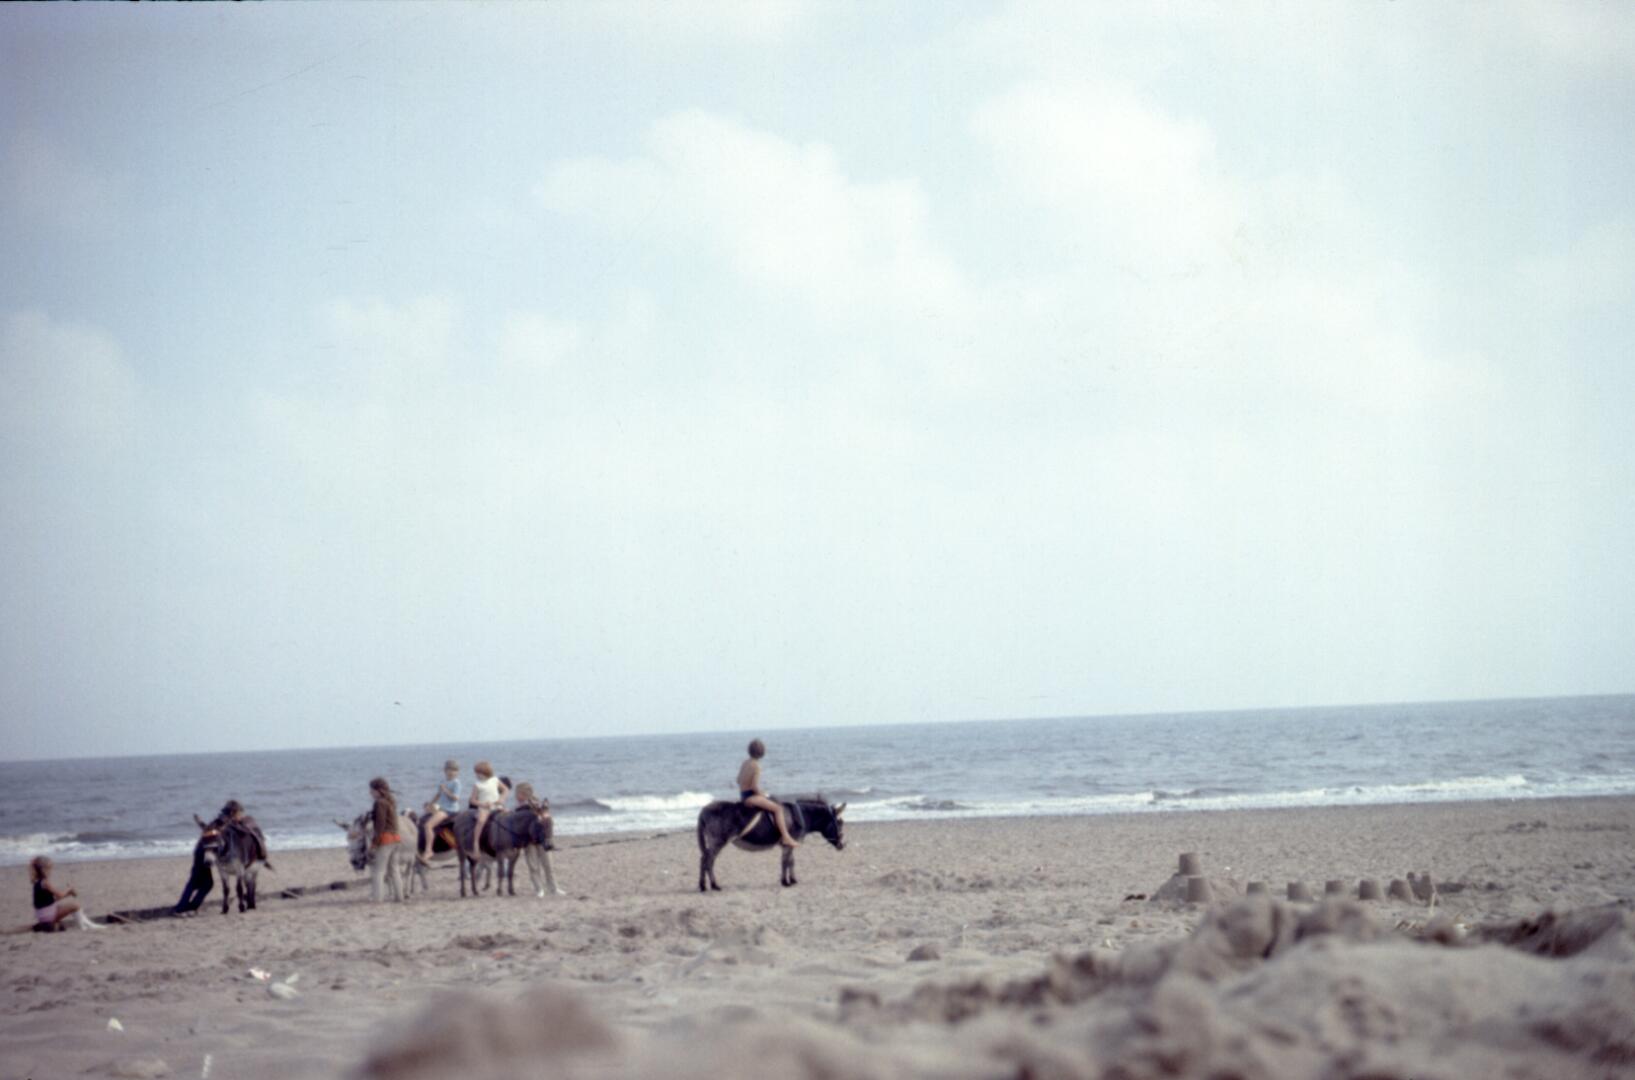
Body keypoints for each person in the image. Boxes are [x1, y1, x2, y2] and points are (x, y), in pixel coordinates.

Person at [737, 738, 798, 848]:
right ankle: (786, 837)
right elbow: (754, 786)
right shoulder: (756, 766)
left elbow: (738, 780)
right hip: (750, 797)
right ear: (762, 752)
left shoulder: (745, 763)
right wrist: (762, 794)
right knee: (778, 809)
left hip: (743, 795)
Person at [30, 856, 103, 931]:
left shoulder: (37, 883)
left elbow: (52, 900)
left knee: (67, 906)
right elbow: (59, 895)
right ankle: (85, 926)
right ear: (43, 870)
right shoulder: (45, 883)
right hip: (48, 916)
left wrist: (68, 894)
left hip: (42, 915)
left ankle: (86, 925)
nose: (50, 872)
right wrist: (69, 891)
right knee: (75, 906)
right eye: (49, 869)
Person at [418, 759, 462, 865]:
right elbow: (438, 795)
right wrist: (430, 804)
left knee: (428, 825)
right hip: (442, 807)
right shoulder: (443, 782)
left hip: (450, 809)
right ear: (445, 770)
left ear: (457, 772)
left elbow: (455, 798)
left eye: (454, 770)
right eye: (449, 770)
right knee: (423, 818)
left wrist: (445, 790)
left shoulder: (456, 783)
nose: (451, 772)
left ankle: (429, 850)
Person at [466, 761, 508, 860]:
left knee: (508, 816)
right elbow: (472, 800)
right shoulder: (477, 785)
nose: (477, 775)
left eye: (478, 773)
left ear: (485, 772)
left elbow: (505, 790)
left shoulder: (495, 780)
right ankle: (476, 845)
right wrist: (482, 804)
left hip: (497, 806)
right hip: (484, 808)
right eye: (476, 773)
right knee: (481, 821)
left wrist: (501, 799)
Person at [172, 843, 214, 916]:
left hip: (202, 851)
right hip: (204, 852)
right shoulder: (210, 837)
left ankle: (186, 907)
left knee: (200, 883)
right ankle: (182, 908)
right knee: (200, 883)